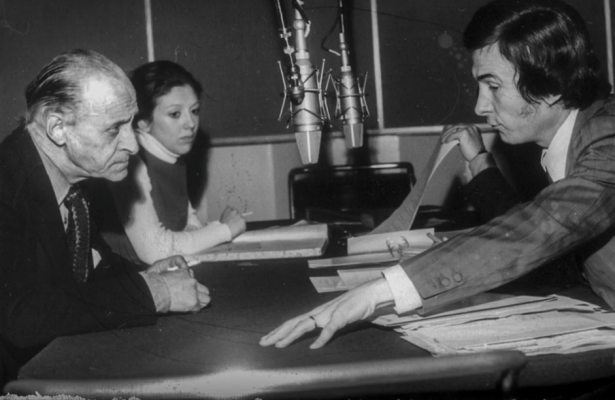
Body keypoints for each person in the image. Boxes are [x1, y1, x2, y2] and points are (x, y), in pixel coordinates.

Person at [260, 0, 615, 349]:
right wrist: (479, 161)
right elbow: (534, 225)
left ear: (551, 86)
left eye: (493, 86)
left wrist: (376, 293)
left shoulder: (608, 139)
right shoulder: (581, 135)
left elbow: (545, 227)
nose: (480, 106)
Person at [0, 49, 210, 381]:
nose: (133, 145)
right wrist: (154, 293)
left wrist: (145, 275)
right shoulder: (5, 184)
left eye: (131, 123)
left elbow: (93, 263)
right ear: (58, 127)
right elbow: (21, 317)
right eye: (114, 129)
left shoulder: (71, 178)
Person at [108, 60, 246, 265]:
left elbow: (189, 222)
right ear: (143, 122)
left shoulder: (170, 156)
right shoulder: (131, 163)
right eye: (175, 114)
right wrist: (225, 230)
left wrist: (203, 232)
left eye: (195, 111)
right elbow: (155, 249)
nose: (190, 123)